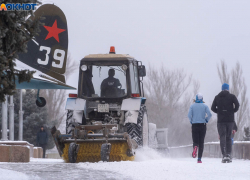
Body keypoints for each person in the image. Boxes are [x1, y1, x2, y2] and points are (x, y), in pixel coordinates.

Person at [211, 83, 240, 163]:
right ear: (228, 88)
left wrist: (219, 112)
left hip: (221, 121)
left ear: (222, 88)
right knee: (229, 137)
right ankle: (228, 154)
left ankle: (224, 155)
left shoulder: (217, 97)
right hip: (230, 120)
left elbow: (213, 108)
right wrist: (232, 111)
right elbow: (237, 105)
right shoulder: (232, 96)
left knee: (222, 137)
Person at [188, 93, 212, 163]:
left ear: (196, 98)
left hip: (195, 125)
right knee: (201, 142)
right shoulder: (205, 106)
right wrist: (206, 120)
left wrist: (191, 121)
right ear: (202, 99)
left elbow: (189, 115)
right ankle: (199, 159)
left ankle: (195, 147)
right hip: (203, 125)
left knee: (195, 141)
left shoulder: (192, 106)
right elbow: (210, 114)